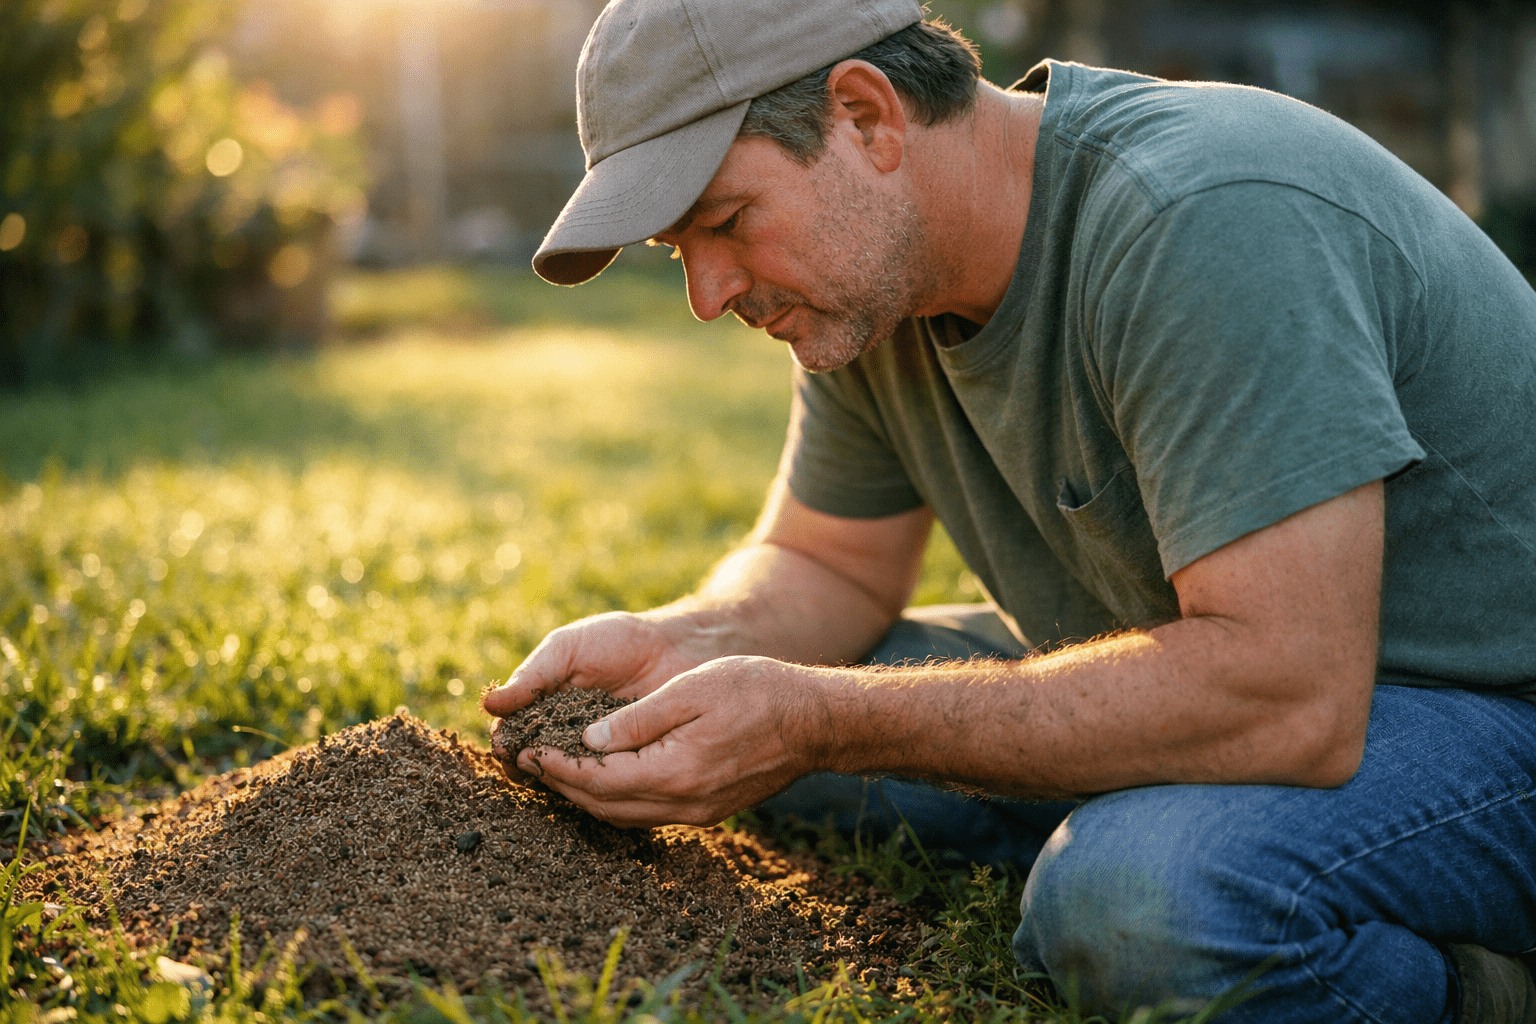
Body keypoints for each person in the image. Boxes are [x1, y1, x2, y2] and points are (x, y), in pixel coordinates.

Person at [481, 0, 1536, 1019]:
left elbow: (1288, 694)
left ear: (866, 116)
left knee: (1135, 904)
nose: (709, 294)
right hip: (1258, 679)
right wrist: (686, 645)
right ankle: (1169, 807)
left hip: (1478, 704)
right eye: (680, 249)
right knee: (728, 740)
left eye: (724, 222)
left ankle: (1484, 990)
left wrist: (817, 718)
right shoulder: (870, 289)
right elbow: (828, 568)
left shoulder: (1201, 217)